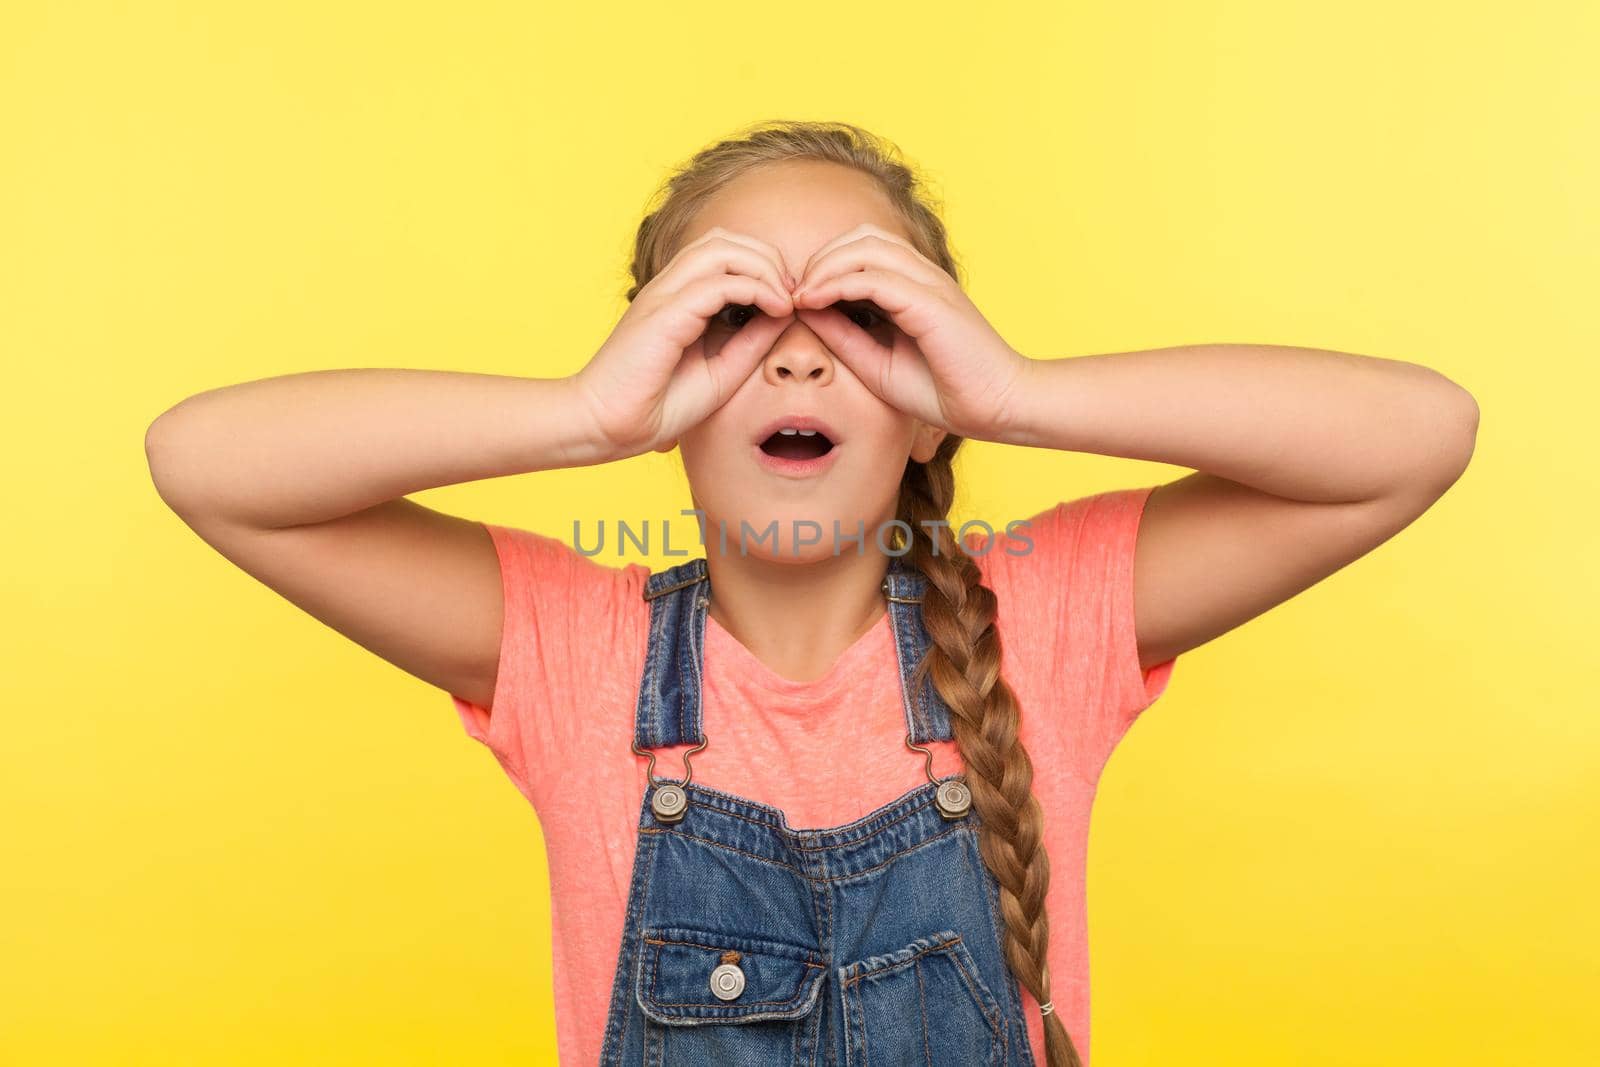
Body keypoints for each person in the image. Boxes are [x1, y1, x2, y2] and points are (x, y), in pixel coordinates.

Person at [145, 120, 1480, 1066]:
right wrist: (578, 414)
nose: (795, 364)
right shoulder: (577, 655)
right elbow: (204, 463)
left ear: (927, 406)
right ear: (664, 393)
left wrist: (1015, 393)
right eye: (729, 322)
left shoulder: (1043, 628)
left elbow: (1416, 435)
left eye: (859, 319)